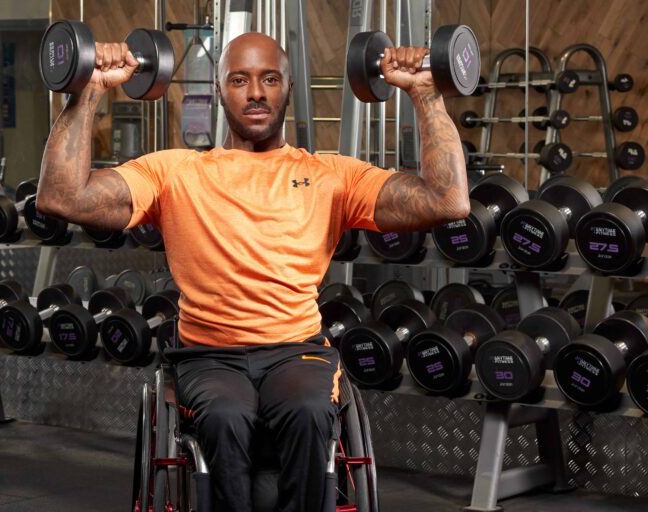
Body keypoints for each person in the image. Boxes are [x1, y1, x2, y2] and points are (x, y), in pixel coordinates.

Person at [37, 31, 468, 512]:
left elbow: (446, 201)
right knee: (223, 417)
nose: (256, 93)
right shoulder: (174, 172)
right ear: (219, 89)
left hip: (295, 351)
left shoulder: (332, 175)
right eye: (240, 80)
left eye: (270, 79)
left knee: (309, 412)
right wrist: (89, 88)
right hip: (209, 355)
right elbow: (62, 197)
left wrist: (426, 93)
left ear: (288, 88)